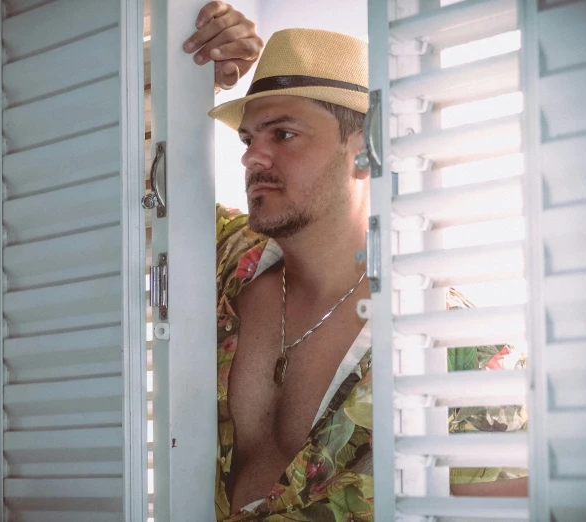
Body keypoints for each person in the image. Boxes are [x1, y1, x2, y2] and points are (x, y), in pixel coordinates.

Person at [183, 3, 528, 520]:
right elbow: (123, 184)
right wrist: (188, 83)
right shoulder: (223, 262)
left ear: (365, 151)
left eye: (283, 134)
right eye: (249, 138)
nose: (252, 157)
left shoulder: (457, 351)